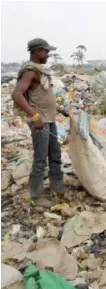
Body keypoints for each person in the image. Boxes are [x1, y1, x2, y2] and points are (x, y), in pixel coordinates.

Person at [12, 38, 66, 199]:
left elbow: (42, 97)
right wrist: (34, 116)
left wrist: (59, 109)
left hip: (49, 119)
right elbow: (17, 94)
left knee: (55, 154)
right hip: (40, 122)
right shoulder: (30, 70)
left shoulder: (40, 70)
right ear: (38, 51)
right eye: (46, 51)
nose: (48, 55)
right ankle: (36, 195)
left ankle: (57, 185)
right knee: (40, 160)